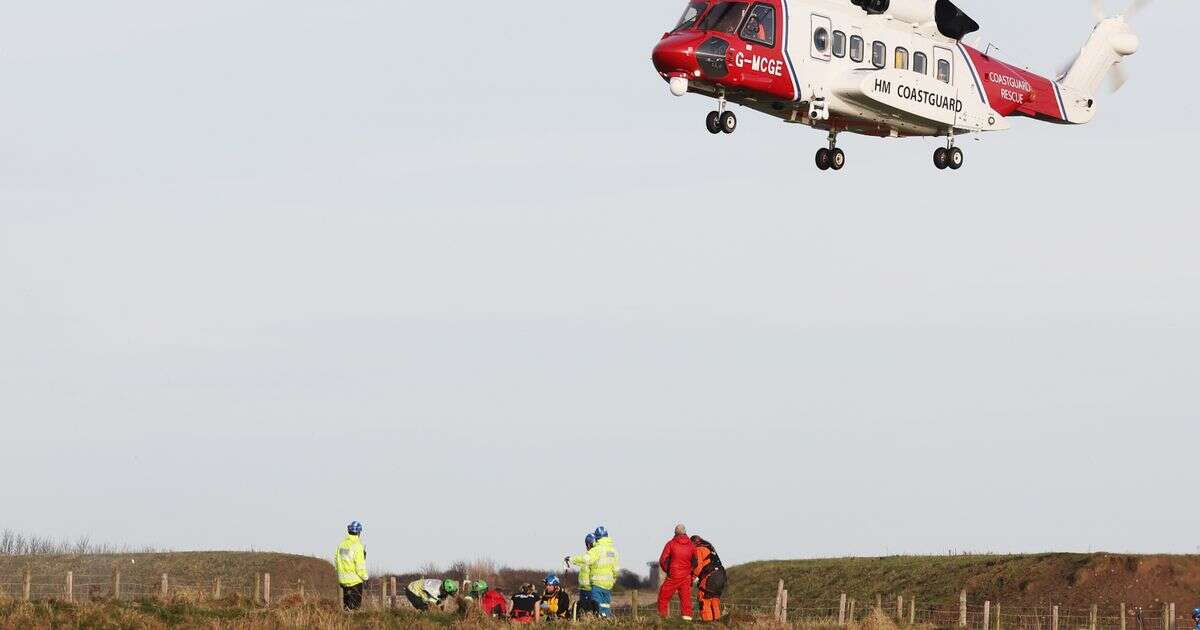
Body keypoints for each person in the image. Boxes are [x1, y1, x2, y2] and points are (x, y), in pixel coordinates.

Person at [658, 523, 696, 620]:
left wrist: (668, 570)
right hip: (686, 576)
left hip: (673, 575)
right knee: (686, 599)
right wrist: (689, 571)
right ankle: (686, 622)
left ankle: (663, 619)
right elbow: (695, 562)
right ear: (685, 532)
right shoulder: (692, 545)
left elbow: (663, 560)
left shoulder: (670, 544)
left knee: (663, 597)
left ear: (675, 533)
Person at [692, 535, 728, 622]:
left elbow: (698, 567)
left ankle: (707, 624)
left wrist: (691, 578)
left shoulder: (698, 549)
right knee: (714, 601)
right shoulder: (710, 548)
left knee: (703, 599)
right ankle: (717, 624)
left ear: (693, 543)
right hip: (721, 575)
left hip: (711, 576)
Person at [334, 521, 369, 611]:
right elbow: (360, 566)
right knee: (354, 609)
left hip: (343, 581)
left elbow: (336, 560)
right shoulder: (357, 546)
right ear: (358, 532)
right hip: (355, 582)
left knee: (347, 609)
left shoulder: (341, 545)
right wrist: (365, 578)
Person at [587, 526, 620, 618]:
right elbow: (616, 571)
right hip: (608, 586)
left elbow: (585, 559)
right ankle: (606, 621)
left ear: (597, 538)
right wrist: (612, 581)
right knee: (605, 607)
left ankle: (599, 621)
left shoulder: (597, 550)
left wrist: (571, 559)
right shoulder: (614, 551)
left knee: (595, 604)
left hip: (597, 585)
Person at [567, 534, 597, 615]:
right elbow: (581, 561)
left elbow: (583, 560)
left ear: (589, 544)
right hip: (584, 589)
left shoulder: (593, 555)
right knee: (583, 611)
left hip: (589, 589)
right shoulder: (589, 555)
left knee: (589, 611)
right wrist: (571, 560)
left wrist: (571, 559)